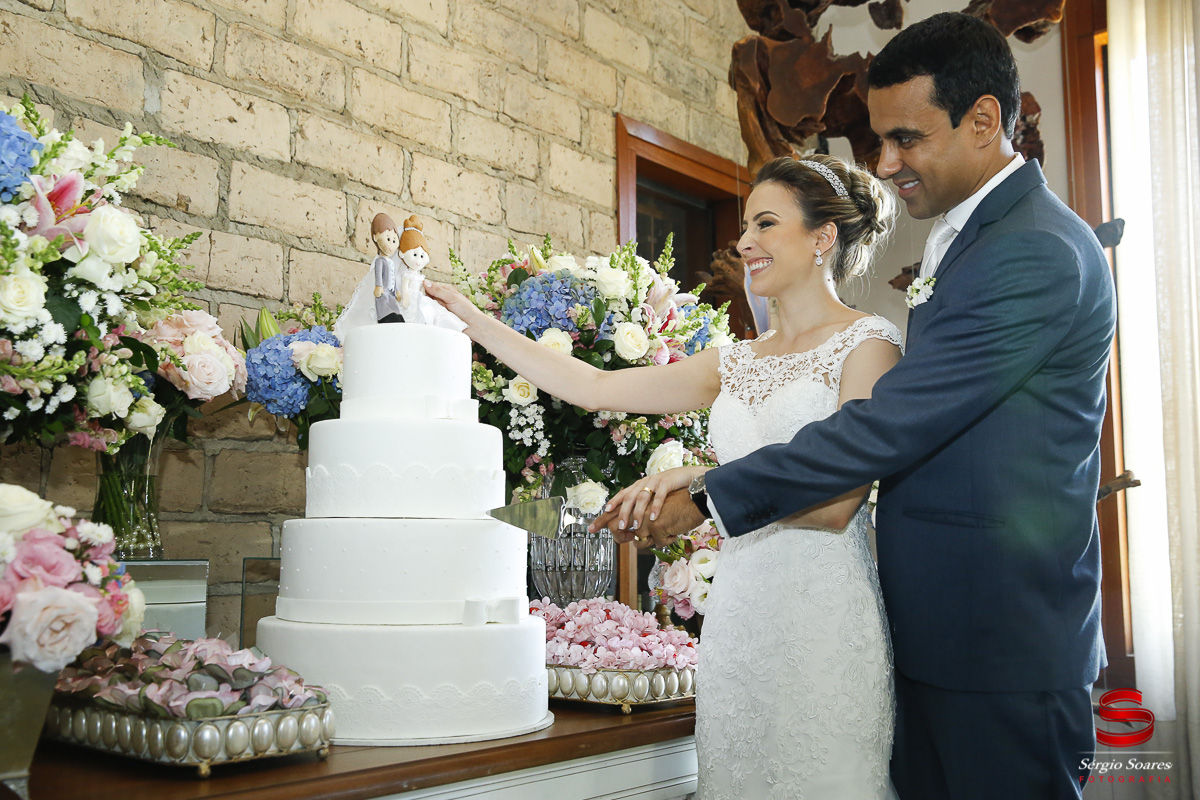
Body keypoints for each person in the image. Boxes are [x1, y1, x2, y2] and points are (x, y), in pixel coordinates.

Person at [596, 12, 1116, 800]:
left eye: (907, 138)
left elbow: (894, 421)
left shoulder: (1034, 249)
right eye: (879, 140)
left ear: (983, 120)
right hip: (939, 634)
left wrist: (711, 492)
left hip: (998, 641)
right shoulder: (977, 236)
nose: (887, 162)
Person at [427, 153, 903, 798]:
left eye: (765, 224)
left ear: (823, 237)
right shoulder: (733, 361)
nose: (745, 243)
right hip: (739, 622)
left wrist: (698, 481)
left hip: (822, 620)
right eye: (744, 226)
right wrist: (472, 320)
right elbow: (594, 386)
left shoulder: (868, 344)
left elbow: (838, 502)